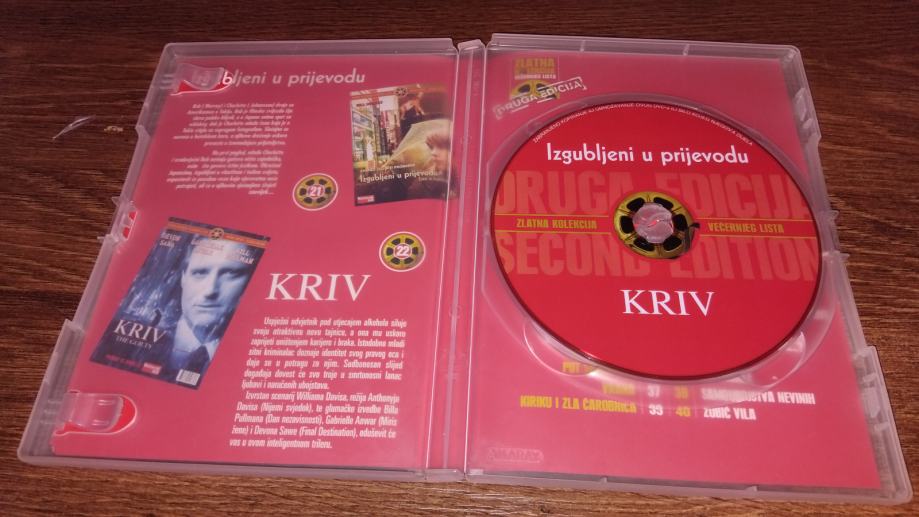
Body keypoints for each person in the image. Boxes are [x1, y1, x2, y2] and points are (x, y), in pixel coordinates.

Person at [165, 238, 254, 378]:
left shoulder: (251, 358)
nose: (210, 290)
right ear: (183, 278)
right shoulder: (139, 338)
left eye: (231, 273)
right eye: (200, 273)